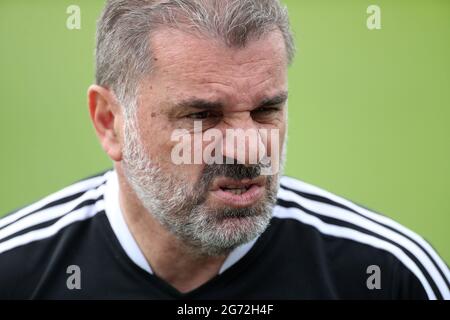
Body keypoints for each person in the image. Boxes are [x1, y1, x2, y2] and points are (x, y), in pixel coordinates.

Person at [0, 0, 448, 299]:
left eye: (266, 109)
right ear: (109, 122)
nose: (248, 149)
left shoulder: (388, 275)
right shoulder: (15, 272)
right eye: (201, 117)